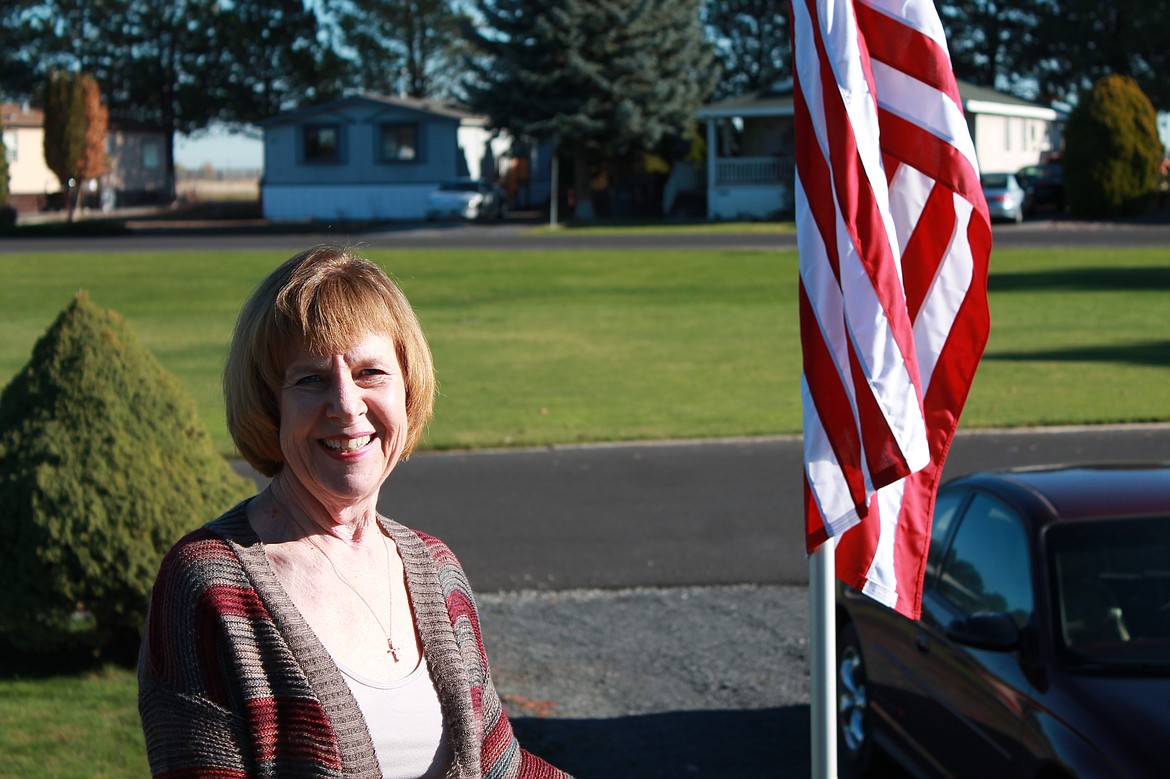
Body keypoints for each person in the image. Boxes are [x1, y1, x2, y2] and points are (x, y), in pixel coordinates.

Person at [138, 245, 573, 779]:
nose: (346, 405)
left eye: (370, 372)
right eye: (311, 379)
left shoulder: (437, 570)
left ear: (407, 390)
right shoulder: (208, 586)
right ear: (268, 403)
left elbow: (497, 765)